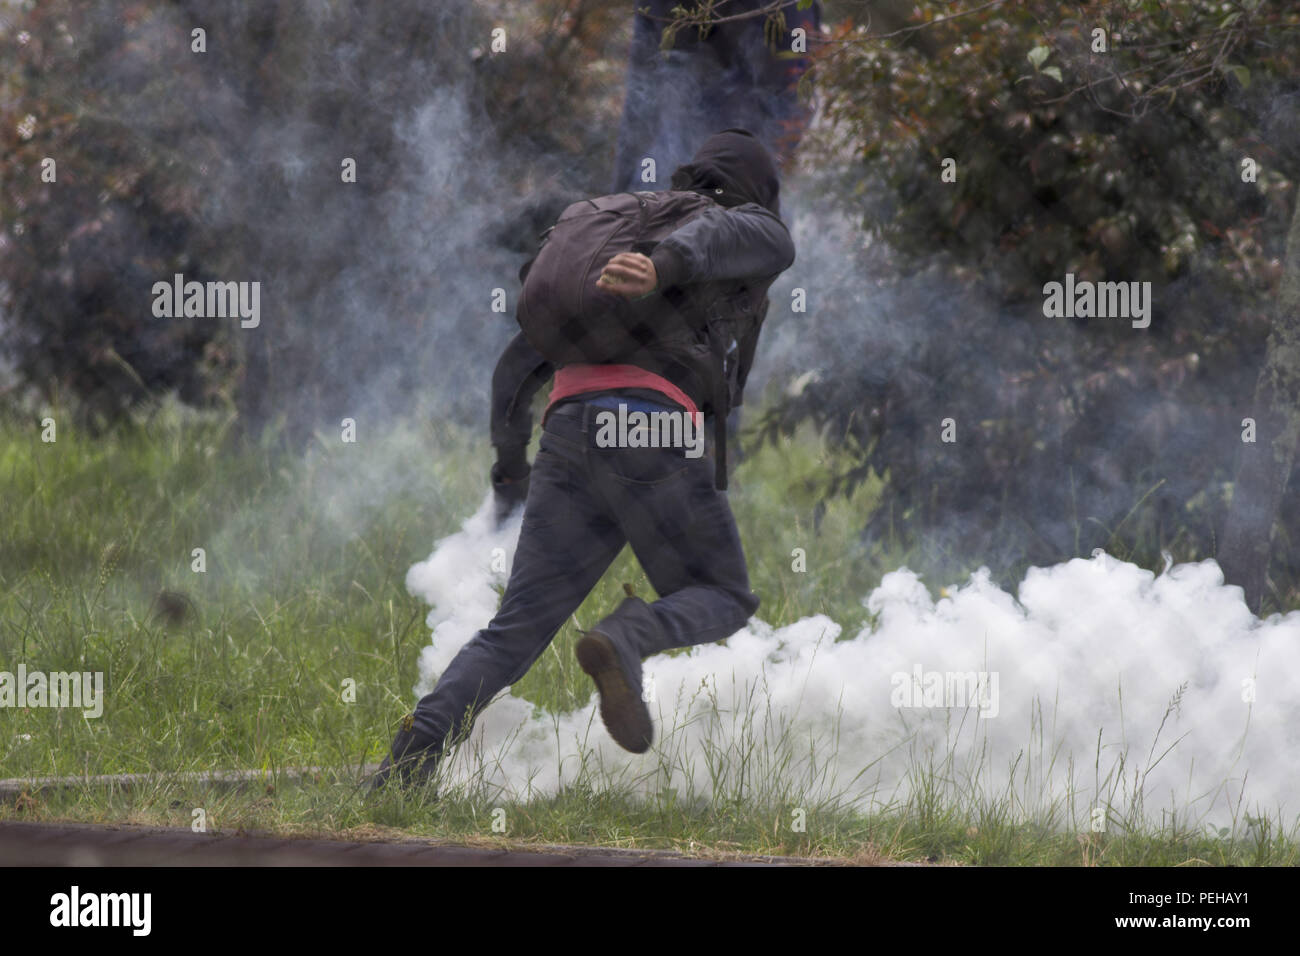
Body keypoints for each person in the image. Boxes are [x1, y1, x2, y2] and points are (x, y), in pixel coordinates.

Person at [372, 129, 796, 790]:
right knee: (722, 594)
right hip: (651, 431)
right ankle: (628, 634)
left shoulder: (612, 241)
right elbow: (757, 240)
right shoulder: (734, 230)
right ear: (756, 195)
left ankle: (404, 768)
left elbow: (514, 371)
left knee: (513, 630)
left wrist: (511, 470)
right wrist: (664, 265)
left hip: (568, 435)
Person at [489, 0, 819, 525]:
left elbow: (787, 82)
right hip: (684, 218)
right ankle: (682, 500)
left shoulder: (608, 226)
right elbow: (790, 89)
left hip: (658, 211)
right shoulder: (746, 239)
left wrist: (508, 475)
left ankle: (550, 498)